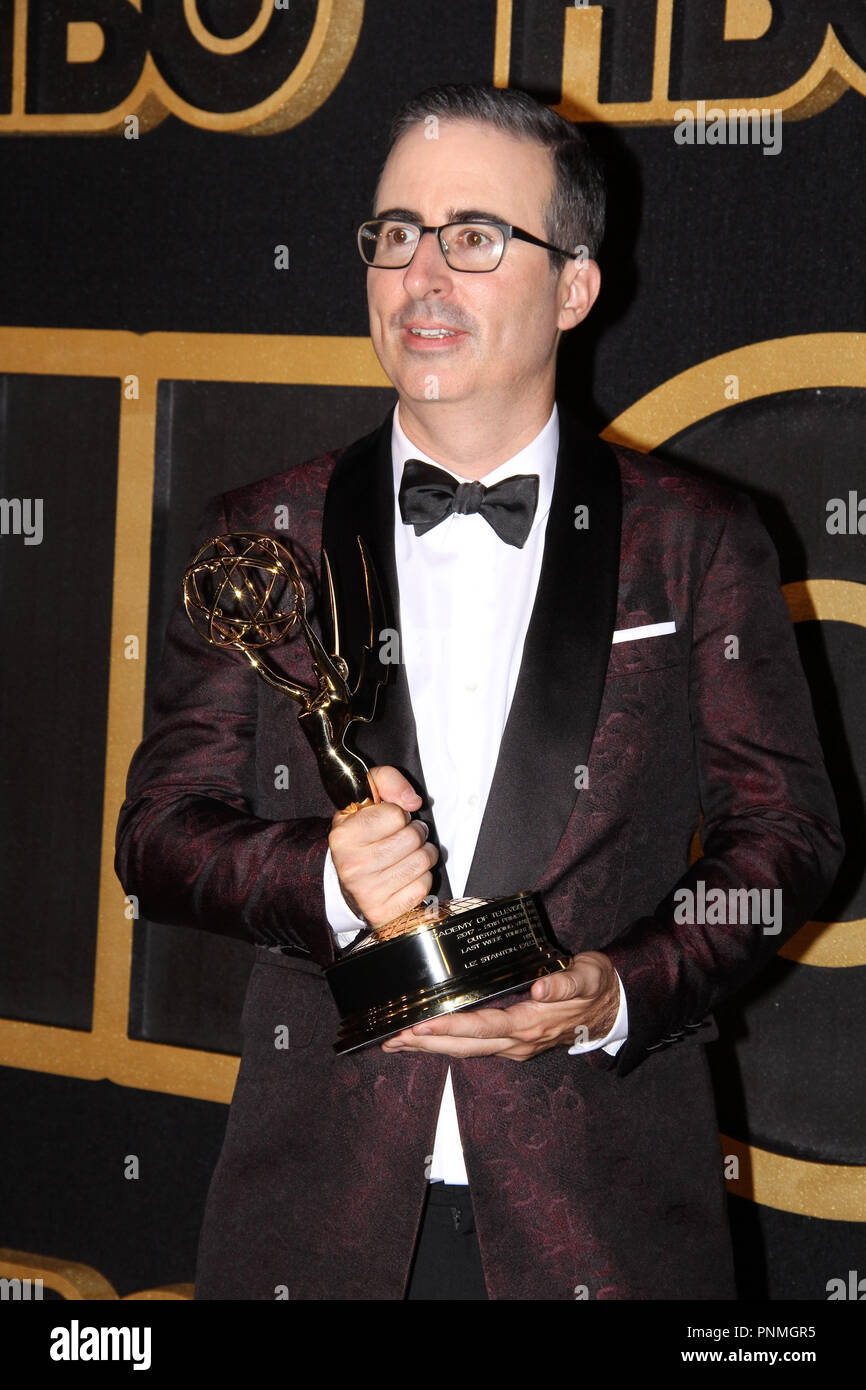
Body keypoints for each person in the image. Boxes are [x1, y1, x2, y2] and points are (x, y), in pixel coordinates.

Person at [115, 83, 843, 1301]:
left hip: (602, 1221)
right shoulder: (263, 534)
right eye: (395, 234)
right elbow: (156, 837)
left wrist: (620, 989)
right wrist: (321, 878)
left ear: (572, 286)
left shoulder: (697, 540)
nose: (421, 277)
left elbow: (790, 838)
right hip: (313, 1225)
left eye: (472, 237)